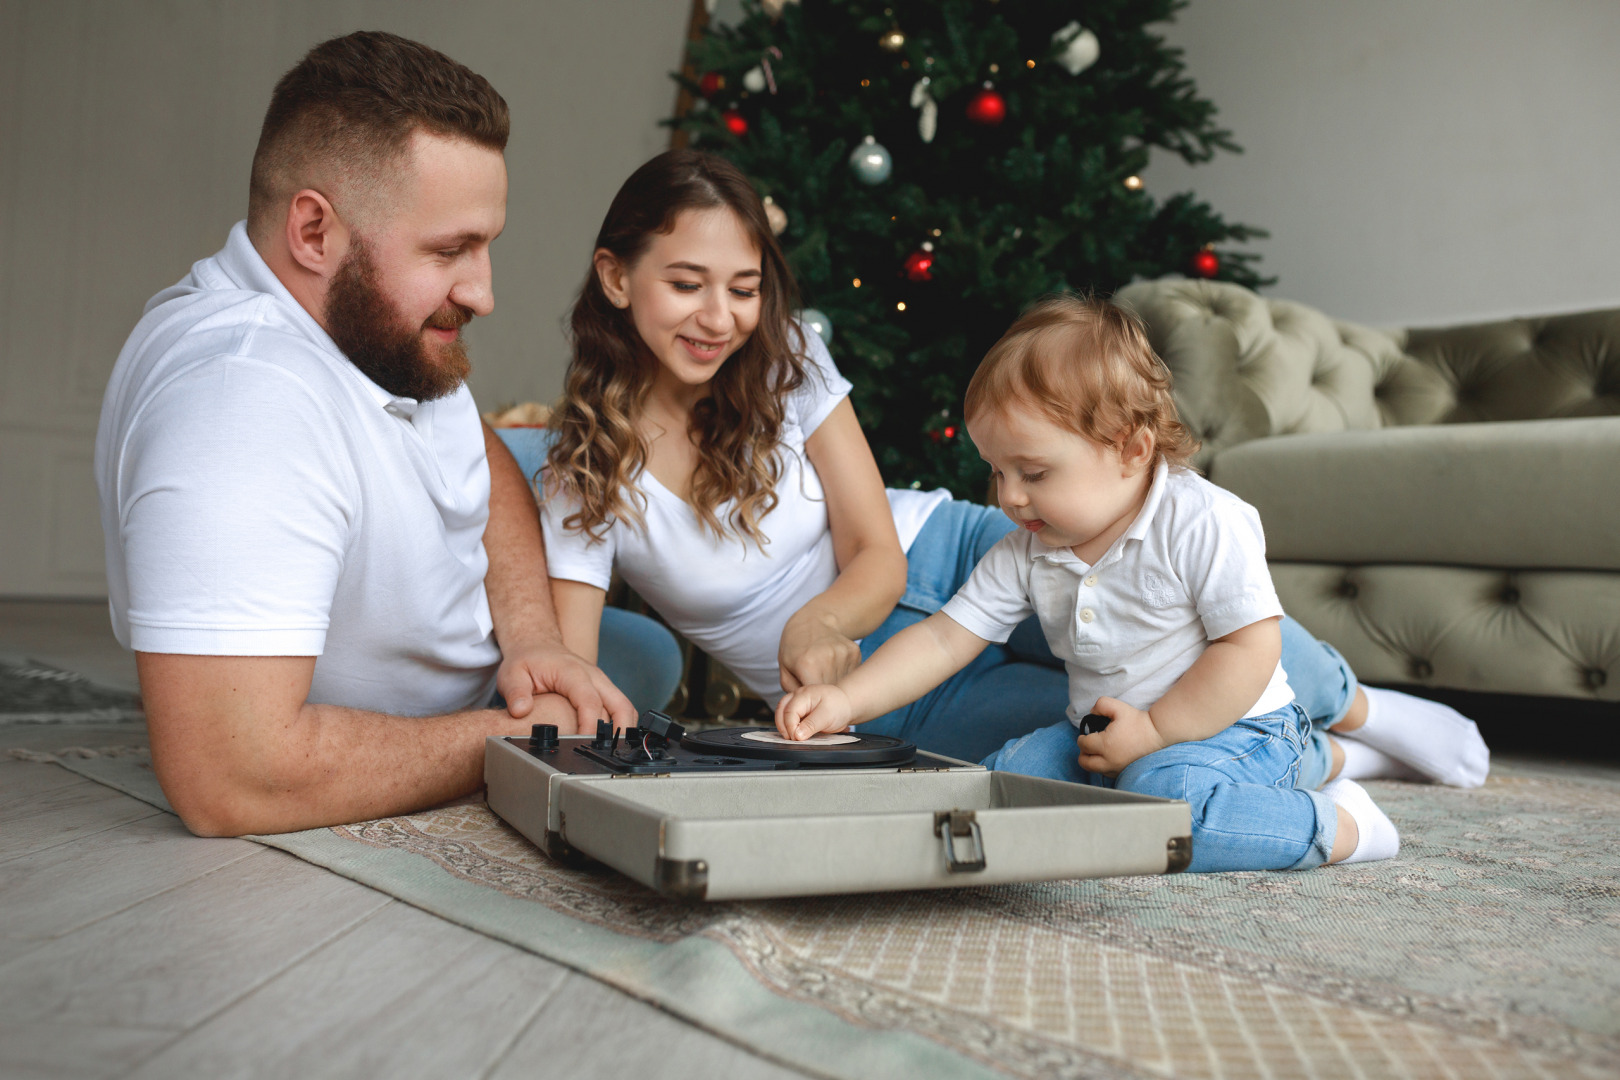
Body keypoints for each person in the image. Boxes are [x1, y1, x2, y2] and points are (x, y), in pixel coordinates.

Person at [536, 149, 1488, 792]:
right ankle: (1318, 760)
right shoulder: (584, 473)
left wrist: (821, 619)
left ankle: (1363, 705)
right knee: (1088, 746)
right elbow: (571, 661)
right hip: (895, 682)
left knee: (1192, 612)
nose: (719, 317)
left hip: (952, 553)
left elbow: (873, 546)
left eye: (742, 288)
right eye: (685, 284)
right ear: (617, 279)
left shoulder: (785, 359)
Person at [94, 32, 679, 838]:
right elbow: (233, 780)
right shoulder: (236, 406)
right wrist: (524, 737)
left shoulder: (372, 329)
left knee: (643, 650)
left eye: (485, 245)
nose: (482, 292)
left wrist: (536, 637)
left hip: (492, 671)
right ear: (313, 233)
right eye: (450, 250)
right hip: (438, 729)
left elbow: (481, 458)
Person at [777, 296, 1470, 870]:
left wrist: (1157, 729)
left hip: (1238, 726)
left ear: (1131, 451)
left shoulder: (1203, 521)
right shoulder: (1031, 547)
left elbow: (1250, 650)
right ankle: (1201, 779)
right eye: (997, 471)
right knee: (1003, 782)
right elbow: (943, 640)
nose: (1009, 497)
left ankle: (1339, 822)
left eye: (1034, 473)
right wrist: (846, 698)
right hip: (1109, 734)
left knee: (1163, 805)